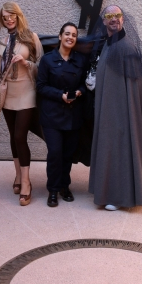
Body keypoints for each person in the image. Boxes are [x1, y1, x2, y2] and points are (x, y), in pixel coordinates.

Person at [88, 6, 142, 210]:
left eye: (118, 16)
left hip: (121, 113)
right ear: (104, 21)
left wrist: (125, 117)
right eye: (109, 16)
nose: (114, 19)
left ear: (123, 20)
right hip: (109, 110)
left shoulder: (126, 47)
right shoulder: (108, 44)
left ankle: (120, 196)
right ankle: (108, 192)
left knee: (120, 148)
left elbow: (133, 89)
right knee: (109, 147)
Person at [0, 2, 44, 206]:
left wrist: (26, 63)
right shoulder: (4, 39)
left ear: (18, 16)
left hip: (26, 93)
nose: (8, 19)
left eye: (11, 16)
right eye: (5, 16)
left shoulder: (30, 37)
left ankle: (26, 182)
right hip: (8, 93)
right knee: (12, 136)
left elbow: (42, 66)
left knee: (19, 135)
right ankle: (17, 175)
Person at [36, 23, 88, 207]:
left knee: (67, 154)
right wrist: (60, 95)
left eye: (74, 35)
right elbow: (40, 86)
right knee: (55, 153)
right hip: (52, 115)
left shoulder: (80, 60)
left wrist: (80, 92)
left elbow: (85, 84)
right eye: (67, 34)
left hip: (73, 115)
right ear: (60, 36)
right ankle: (53, 189)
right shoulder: (48, 60)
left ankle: (65, 186)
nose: (70, 37)